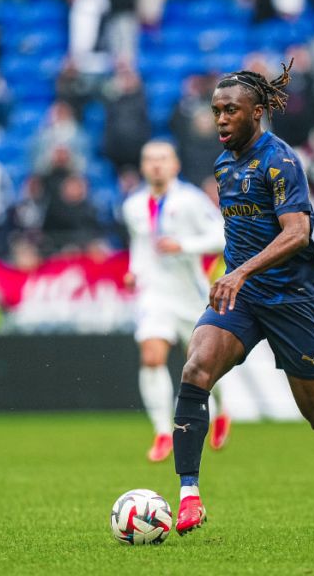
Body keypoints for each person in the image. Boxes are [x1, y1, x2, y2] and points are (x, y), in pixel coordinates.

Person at [171, 63, 314, 535]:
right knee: (195, 369)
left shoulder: (282, 161)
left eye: (230, 110)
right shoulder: (223, 164)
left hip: (292, 298)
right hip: (243, 298)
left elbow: (298, 232)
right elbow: (236, 232)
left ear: (257, 113)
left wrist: (243, 270)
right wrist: (229, 272)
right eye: (215, 111)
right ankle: (189, 495)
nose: (221, 120)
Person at [122, 140, 231, 462]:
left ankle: (223, 409)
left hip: (189, 294)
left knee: (201, 365)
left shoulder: (191, 201)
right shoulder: (132, 205)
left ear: (175, 165)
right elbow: (140, 245)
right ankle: (161, 431)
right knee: (152, 357)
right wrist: (133, 271)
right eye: (150, 159)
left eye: (162, 159)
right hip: (154, 294)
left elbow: (223, 236)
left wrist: (183, 244)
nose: (156, 165)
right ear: (143, 167)